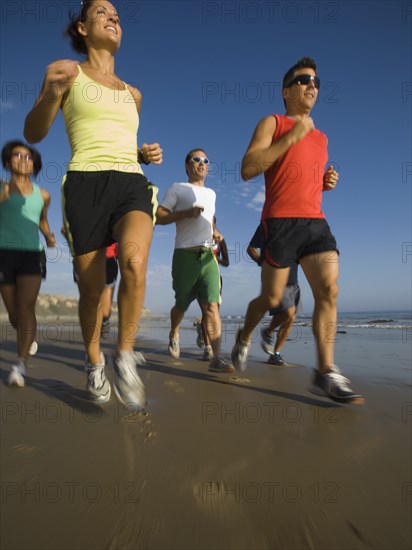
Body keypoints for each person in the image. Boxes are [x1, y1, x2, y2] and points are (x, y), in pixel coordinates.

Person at [24, 1, 163, 411]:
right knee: (90, 289)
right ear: (83, 27)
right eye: (102, 12)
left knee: (134, 261)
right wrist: (50, 93)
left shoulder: (133, 93)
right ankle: (93, 359)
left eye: (116, 13)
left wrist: (141, 154)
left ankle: (123, 355)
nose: (113, 17)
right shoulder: (68, 73)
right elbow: (33, 131)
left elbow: (119, 141)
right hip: (84, 182)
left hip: (131, 183)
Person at [231, 57, 364, 404]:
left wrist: (324, 185)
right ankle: (244, 335)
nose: (312, 87)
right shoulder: (272, 122)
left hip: (315, 222)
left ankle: (325, 371)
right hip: (280, 222)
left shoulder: (321, 137)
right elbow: (248, 168)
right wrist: (291, 137)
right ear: (286, 91)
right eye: (304, 81)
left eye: (316, 82)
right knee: (272, 299)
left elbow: (302, 181)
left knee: (329, 290)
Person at [156, 148, 234, 373]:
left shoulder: (212, 194)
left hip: (208, 255)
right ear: (187, 166)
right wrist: (185, 213)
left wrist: (216, 231)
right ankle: (174, 334)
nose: (202, 163)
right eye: (196, 160)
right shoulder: (177, 188)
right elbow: (159, 216)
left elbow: (209, 220)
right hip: (184, 255)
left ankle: (216, 358)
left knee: (211, 306)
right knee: (181, 304)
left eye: (205, 160)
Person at [0, 140, 56, 387]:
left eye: (28, 156)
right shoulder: (2, 188)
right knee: (13, 313)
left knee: (25, 308)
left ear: (35, 164)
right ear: (7, 161)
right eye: (17, 155)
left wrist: (49, 236)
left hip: (33, 254)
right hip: (4, 253)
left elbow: (42, 220)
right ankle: (28, 336)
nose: (23, 159)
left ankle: (19, 364)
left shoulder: (43, 194)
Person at [247, 223, 300, 366]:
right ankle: (268, 332)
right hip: (275, 278)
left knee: (290, 319)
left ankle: (275, 354)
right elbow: (251, 248)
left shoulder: (299, 227)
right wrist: (263, 263)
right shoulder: (269, 223)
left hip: (294, 280)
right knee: (289, 312)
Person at [198, 227, 229, 361]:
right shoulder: (197, 238)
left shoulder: (220, 240)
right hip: (198, 277)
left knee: (214, 311)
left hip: (216, 279)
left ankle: (203, 331)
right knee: (206, 312)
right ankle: (208, 348)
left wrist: (216, 258)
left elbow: (227, 262)